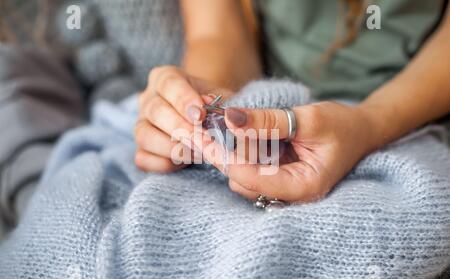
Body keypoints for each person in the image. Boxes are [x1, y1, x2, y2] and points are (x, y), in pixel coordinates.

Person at [135, 0, 450, 203]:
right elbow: (216, 35)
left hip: (410, 111)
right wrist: (195, 107)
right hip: (273, 106)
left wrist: (368, 124)